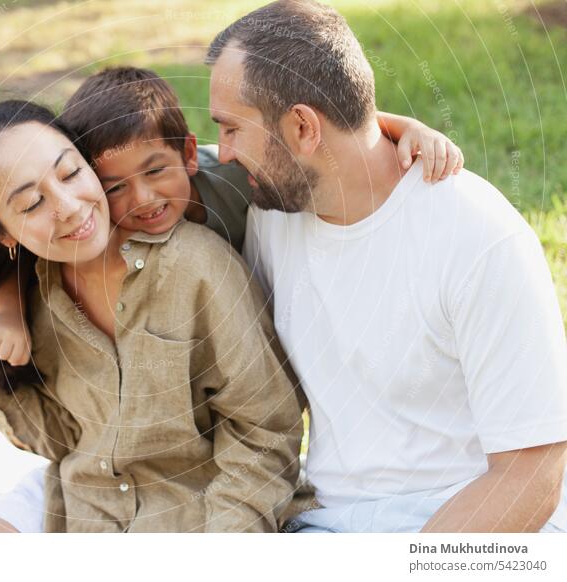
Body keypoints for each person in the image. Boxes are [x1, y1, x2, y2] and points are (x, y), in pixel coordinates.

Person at [205, 0, 567, 532]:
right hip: (334, 526)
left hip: (480, 530)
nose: (226, 151)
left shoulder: (477, 237)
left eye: (232, 128)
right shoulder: (276, 208)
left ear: (303, 127)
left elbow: (532, 474)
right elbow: (126, 177)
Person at [0, 99, 306, 532]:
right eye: (31, 204)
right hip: (86, 516)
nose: (68, 206)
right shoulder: (36, 299)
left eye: (71, 173)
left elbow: (265, 435)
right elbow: (67, 440)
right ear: (1, 232)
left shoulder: (196, 267)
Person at [0, 66, 463, 369]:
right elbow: (27, 256)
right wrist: (6, 311)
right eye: (116, 187)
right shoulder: (92, 217)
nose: (143, 198)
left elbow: (324, 141)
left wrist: (402, 127)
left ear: (189, 154)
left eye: (155, 171)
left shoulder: (232, 177)